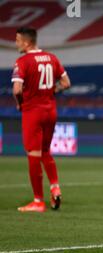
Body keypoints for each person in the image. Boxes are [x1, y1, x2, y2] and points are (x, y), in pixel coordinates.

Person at [12, 27, 71, 212]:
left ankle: (38, 201)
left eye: (18, 40)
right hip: (50, 111)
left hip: (33, 112)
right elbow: (66, 83)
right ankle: (55, 187)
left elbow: (17, 90)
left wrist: (20, 103)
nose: (16, 43)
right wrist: (52, 91)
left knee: (33, 154)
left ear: (27, 42)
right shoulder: (52, 58)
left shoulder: (23, 61)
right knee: (45, 151)